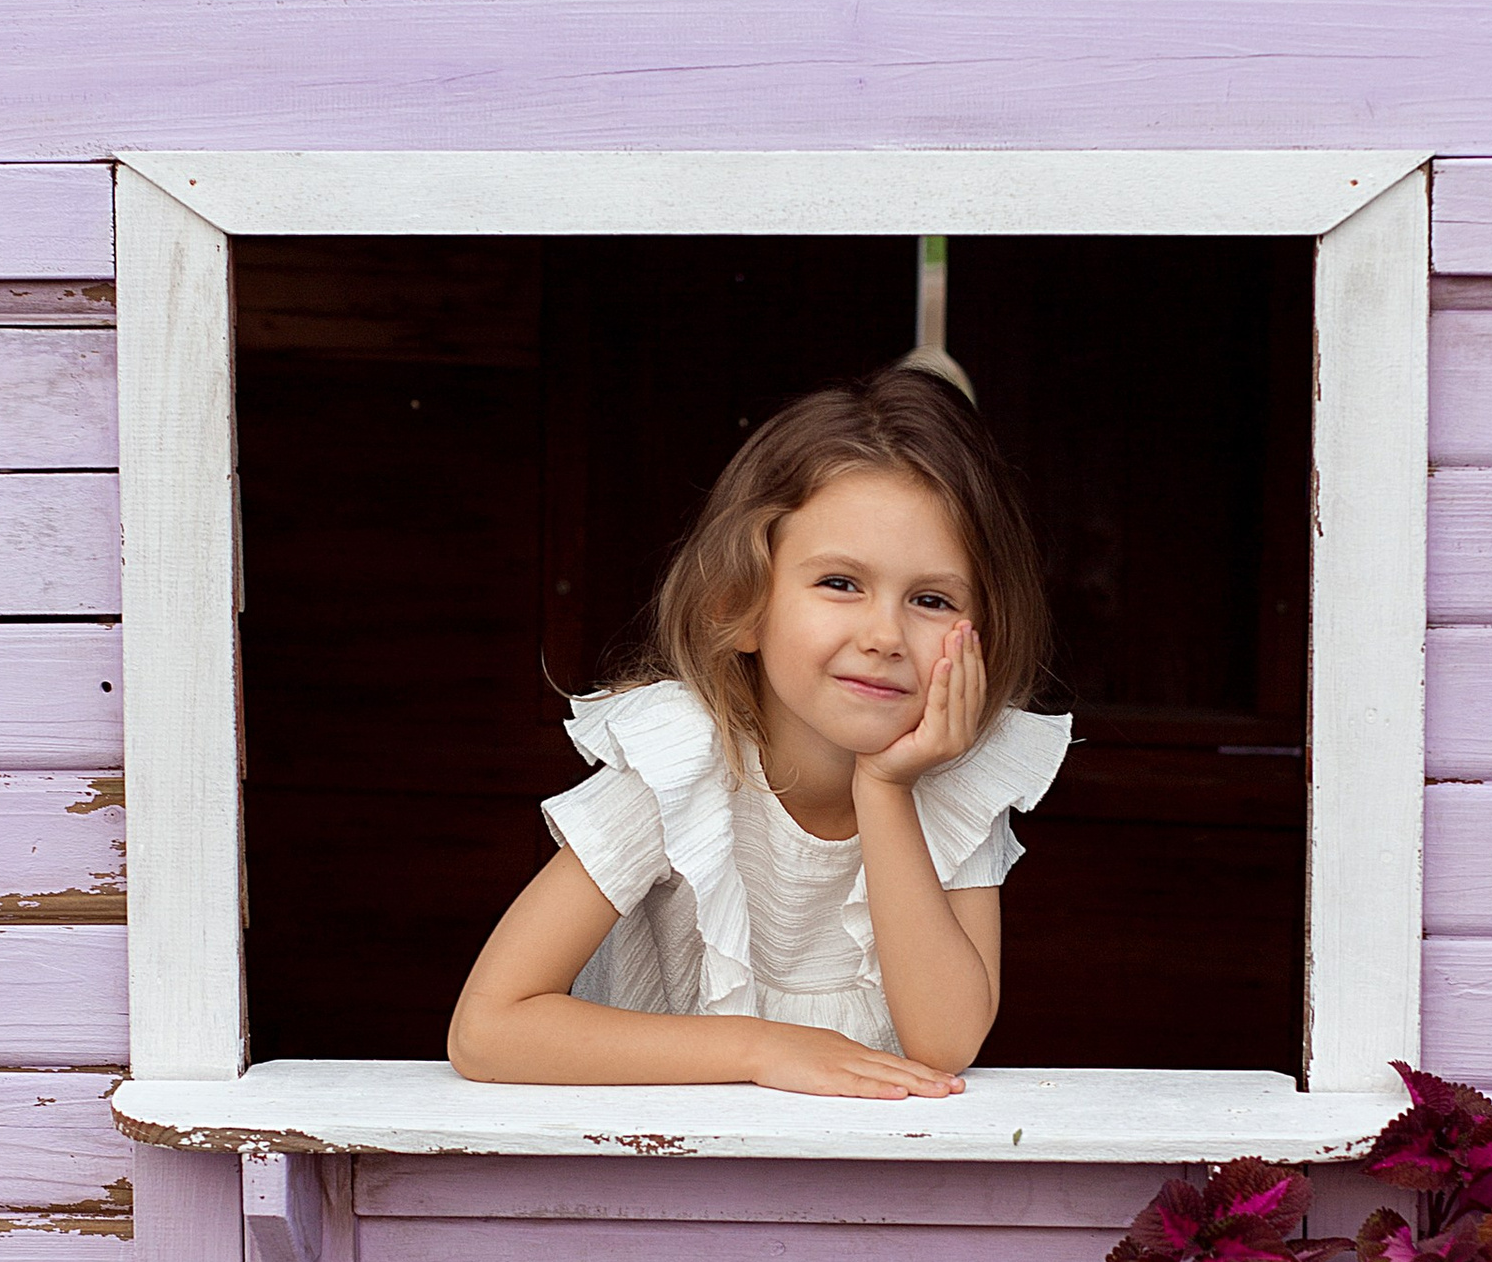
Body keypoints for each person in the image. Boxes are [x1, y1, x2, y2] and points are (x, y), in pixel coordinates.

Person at [448, 368, 1068, 1100]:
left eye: (931, 599)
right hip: (658, 1175)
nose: (884, 634)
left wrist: (886, 786)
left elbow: (946, 1040)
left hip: (858, 1181)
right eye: (841, 582)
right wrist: (760, 1048)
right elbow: (487, 1027)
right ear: (741, 604)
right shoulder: (683, 766)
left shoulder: (956, 776)